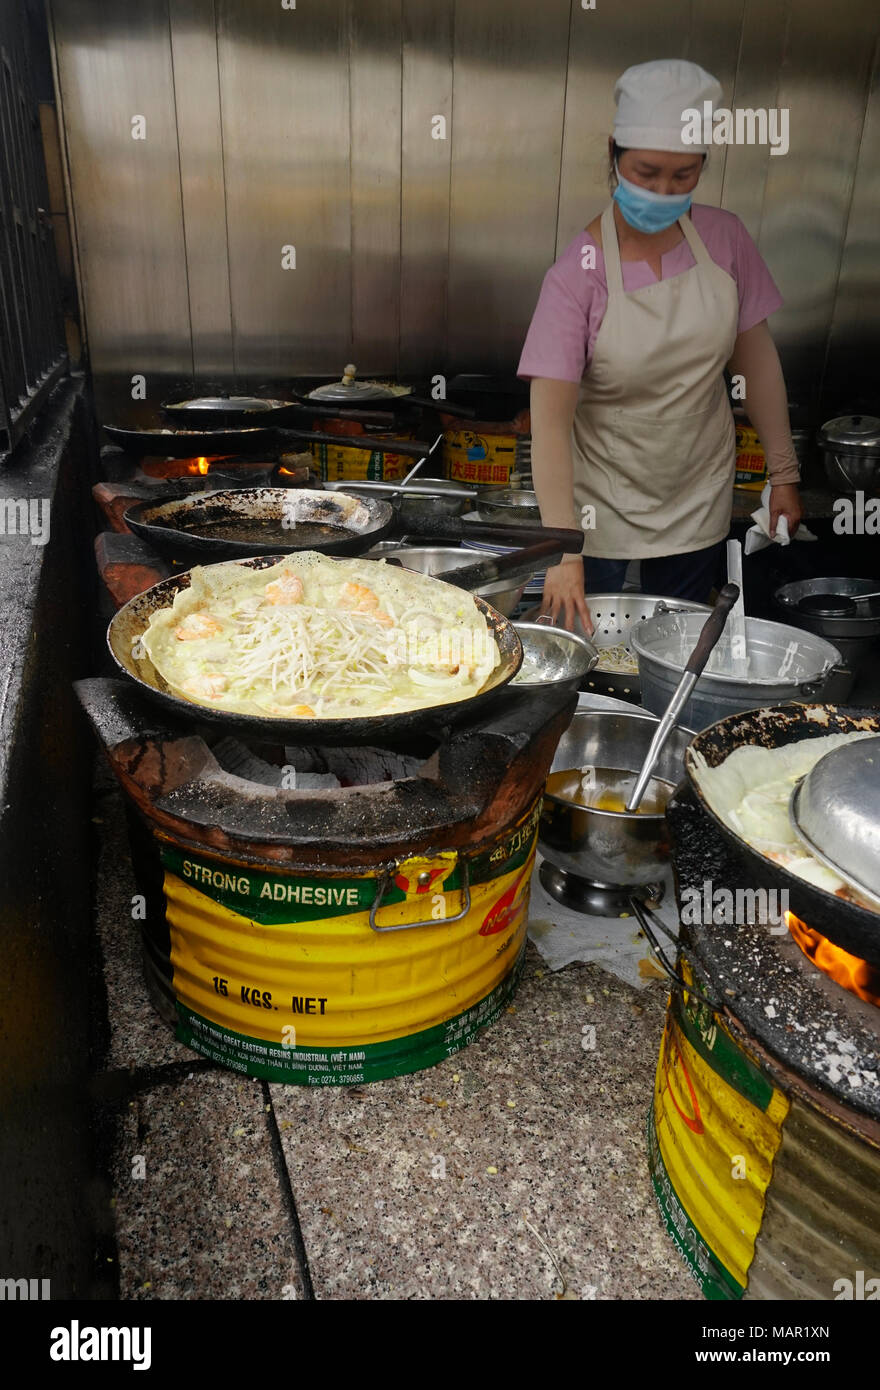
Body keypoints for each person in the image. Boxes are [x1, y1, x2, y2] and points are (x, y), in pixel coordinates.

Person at [518, 58, 802, 632]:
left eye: (683, 176)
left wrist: (784, 473)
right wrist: (564, 549)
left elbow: (758, 364)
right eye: (646, 173)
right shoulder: (578, 274)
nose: (664, 191)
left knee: (682, 645)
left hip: (696, 493)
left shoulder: (725, 240)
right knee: (581, 652)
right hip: (597, 502)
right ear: (613, 155)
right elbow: (549, 425)